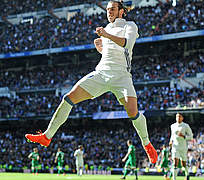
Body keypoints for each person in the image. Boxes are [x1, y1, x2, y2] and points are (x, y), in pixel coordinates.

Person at [25, 0, 157, 164]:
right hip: (101, 73)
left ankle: (147, 144)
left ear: (122, 11)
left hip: (122, 76)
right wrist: (101, 49)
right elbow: (110, 55)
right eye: (107, 9)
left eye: (112, 9)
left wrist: (106, 36)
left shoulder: (130, 25)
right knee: (68, 97)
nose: (109, 12)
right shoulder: (107, 28)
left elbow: (127, 44)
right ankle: (47, 136)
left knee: (133, 113)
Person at [169, 113, 193, 180]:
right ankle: (174, 178)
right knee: (175, 162)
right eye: (177, 116)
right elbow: (172, 135)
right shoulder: (172, 126)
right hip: (175, 147)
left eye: (179, 116)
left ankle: (187, 174)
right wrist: (171, 141)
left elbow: (191, 137)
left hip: (183, 147)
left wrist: (183, 136)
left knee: (184, 163)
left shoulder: (185, 126)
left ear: (182, 118)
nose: (178, 118)